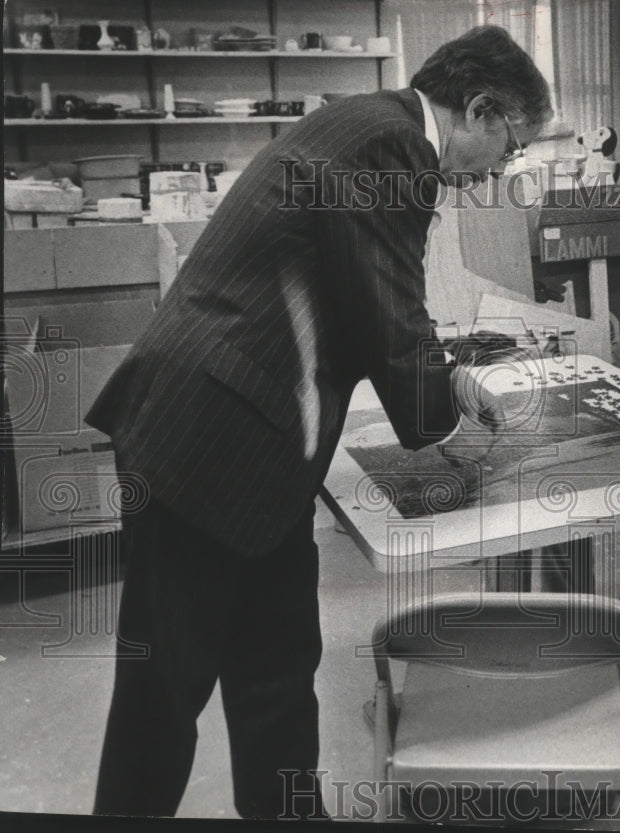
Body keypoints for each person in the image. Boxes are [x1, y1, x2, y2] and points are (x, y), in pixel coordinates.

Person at [89, 25, 552, 819]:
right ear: (479, 109)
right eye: (509, 149)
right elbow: (390, 322)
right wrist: (454, 436)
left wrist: (454, 377)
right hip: (209, 445)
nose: (496, 174)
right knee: (163, 695)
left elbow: (368, 296)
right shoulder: (392, 146)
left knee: (277, 667)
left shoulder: (369, 126)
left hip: (253, 446)